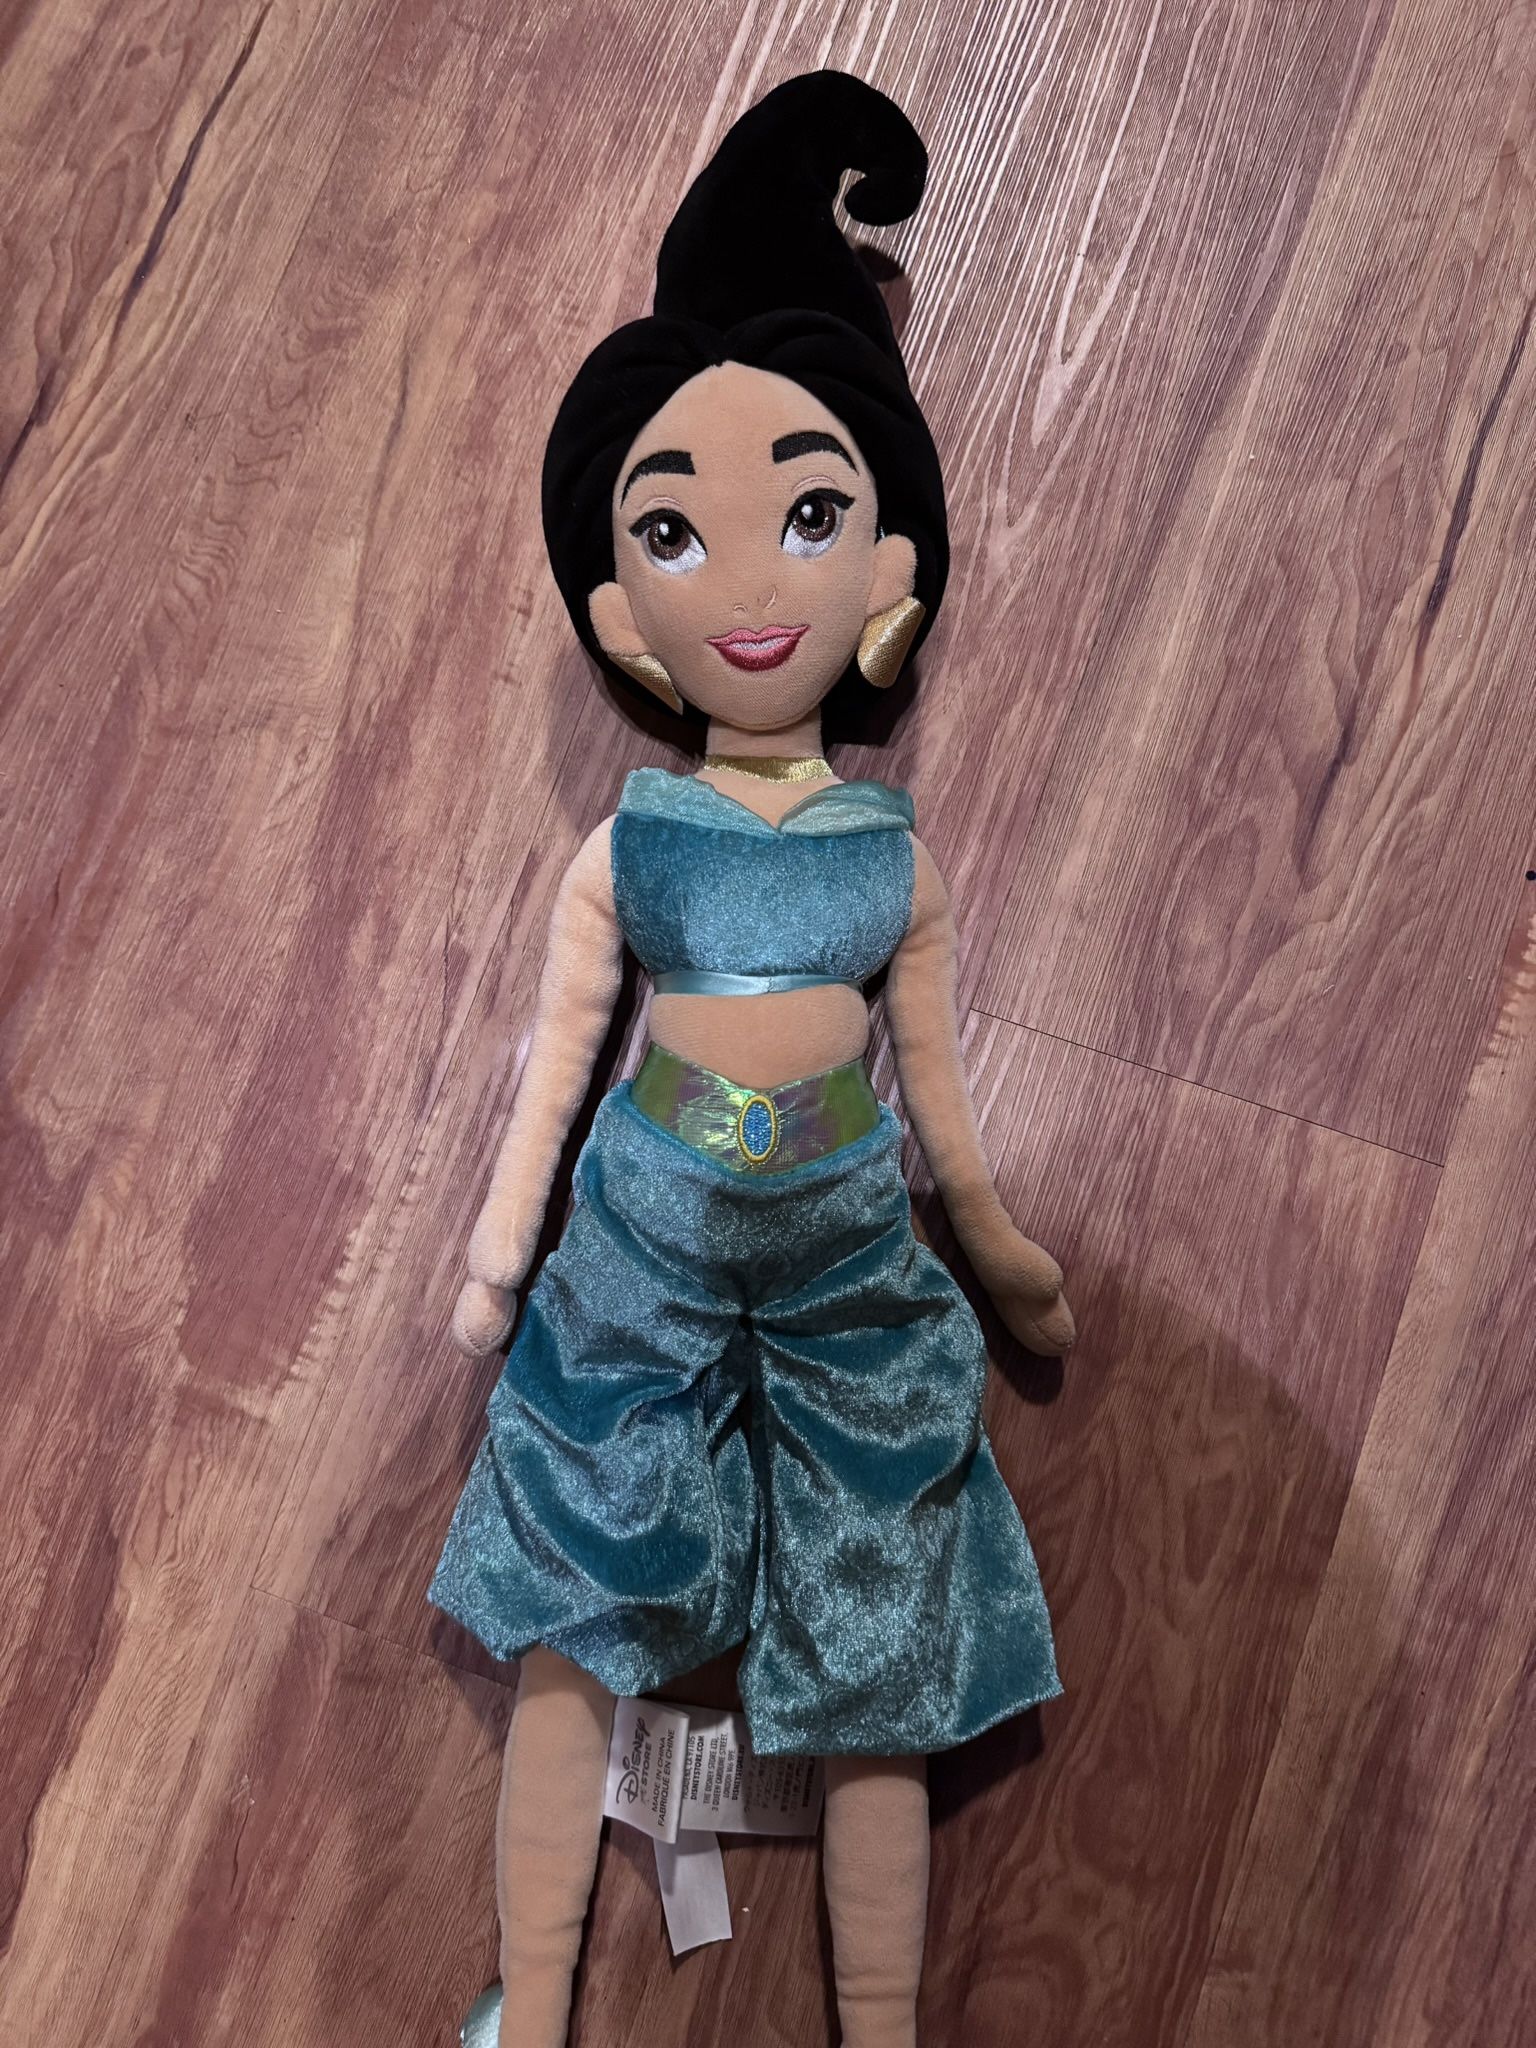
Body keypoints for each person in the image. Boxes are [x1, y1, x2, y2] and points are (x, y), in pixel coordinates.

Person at [431, 69, 1075, 2048]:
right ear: (625, 614)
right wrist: (501, 1241)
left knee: (882, 1611)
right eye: (676, 532)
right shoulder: (627, 844)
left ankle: (876, 2017)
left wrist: (990, 1235)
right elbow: (559, 1056)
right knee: (572, 1588)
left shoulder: (895, 859)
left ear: (887, 571)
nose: (751, 579)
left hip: (849, 1255)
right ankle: (536, 1991)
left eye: (809, 511)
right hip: (637, 1240)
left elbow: (938, 1092)